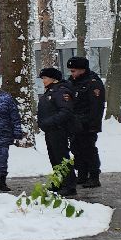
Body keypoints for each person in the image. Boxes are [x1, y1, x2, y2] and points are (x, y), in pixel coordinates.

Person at [36, 67, 78, 196]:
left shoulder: (60, 91)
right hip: (51, 130)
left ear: (54, 79)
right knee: (54, 157)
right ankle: (58, 181)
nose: (43, 81)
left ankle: (69, 185)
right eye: (43, 78)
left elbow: (65, 111)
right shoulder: (51, 91)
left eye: (45, 78)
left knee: (61, 157)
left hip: (59, 129)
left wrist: (49, 122)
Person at [67, 55, 106, 189]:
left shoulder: (93, 83)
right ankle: (82, 174)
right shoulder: (72, 81)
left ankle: (94, 176)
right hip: (75, 123)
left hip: (88, 124)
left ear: (82, 70)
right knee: (76, 149)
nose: (71, 74)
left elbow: (97, 107)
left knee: (89, 150)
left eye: (73, 71)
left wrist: (92, 124)